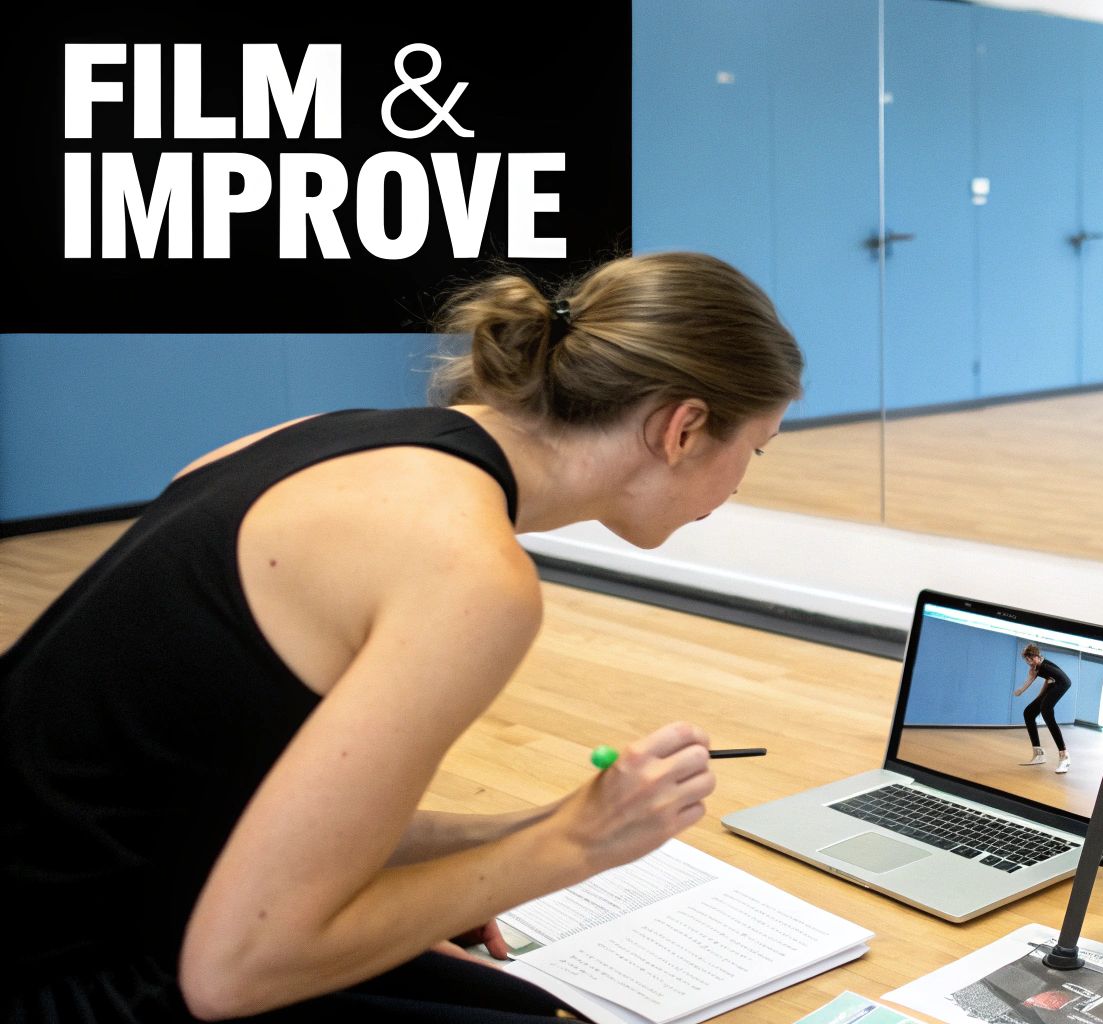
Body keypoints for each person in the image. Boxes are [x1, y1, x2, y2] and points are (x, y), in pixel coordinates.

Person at [2, 251, 803, 1021]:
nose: (739, 484)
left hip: (100, 906)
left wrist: (549, 822)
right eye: (755, 450)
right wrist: (574, 842)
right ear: (684, 428)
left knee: (511, 997)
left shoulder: (325, 436)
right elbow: (234, 971)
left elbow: (226, 809)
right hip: (67, 973)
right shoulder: (469, 571)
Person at [1013, 644, 1072, 774]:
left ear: (1037, 656)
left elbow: (1035, 679)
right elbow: (1048, 680)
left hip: (1063, 684)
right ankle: (1039, 754)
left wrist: (1021, 690)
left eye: (1030, 659)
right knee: (1029, 712)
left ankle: (1065, 757)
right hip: (1054, 684)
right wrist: (1039, 698)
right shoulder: (1039, 666)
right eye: (1026, 660)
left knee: (1046, 710)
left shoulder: (1043, 666)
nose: (1028, 662)